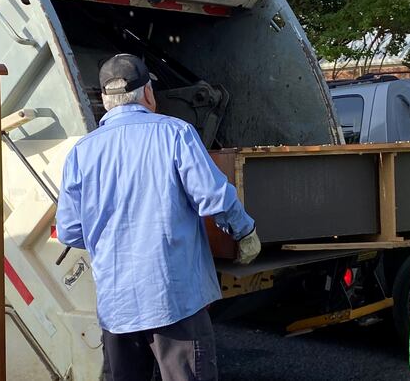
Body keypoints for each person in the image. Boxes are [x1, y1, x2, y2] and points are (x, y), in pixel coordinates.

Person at [56, 54, 261, 381]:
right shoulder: (176, 134)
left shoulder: (82, 152)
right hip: (175, 301)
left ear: (105, 101)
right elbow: (214, 198)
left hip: (117, 307)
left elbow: (69, 231)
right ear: (148, 93)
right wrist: (244, 231)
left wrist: (111, 238)